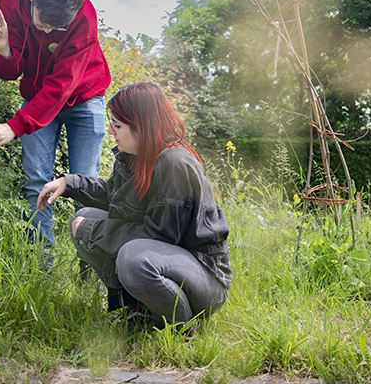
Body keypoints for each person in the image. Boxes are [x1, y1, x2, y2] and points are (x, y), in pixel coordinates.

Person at [36, 82, 231, 333]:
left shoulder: (174, 163)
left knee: (132, 256)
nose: (111, 130)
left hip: (204, 277)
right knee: (84, 216)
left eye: (117, 125)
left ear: (141, 127)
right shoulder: (134, 154)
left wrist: (93, 231)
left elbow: (160, 237)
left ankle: (182, 327)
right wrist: (69, 183)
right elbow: (113, 196)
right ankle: (138, 312)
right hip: (166, 261)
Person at [0, 0, 111, 256]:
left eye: (56, 27)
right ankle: (40, 265)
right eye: (43, 22)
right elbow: (11, 74)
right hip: (38, 98)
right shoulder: (9, 2)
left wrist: (15, 126)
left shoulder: (84, 16)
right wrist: (4, 49)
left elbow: (62, 85)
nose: (47, 30)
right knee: (36, 180)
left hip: (84, 96)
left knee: (85, 183)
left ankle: (90, 266)